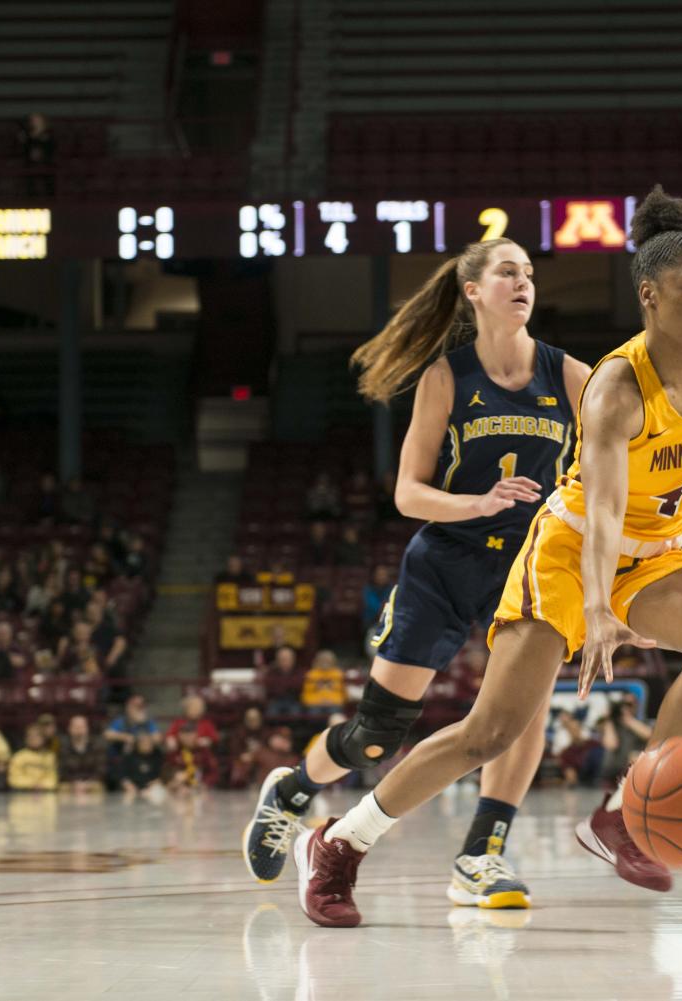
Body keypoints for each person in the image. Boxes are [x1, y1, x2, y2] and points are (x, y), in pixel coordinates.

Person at [289, 189, 682, 927]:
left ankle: (623, 812)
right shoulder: (616, 388)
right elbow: (599, 510)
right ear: (648, 296)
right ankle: (340, 842)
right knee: (491, 731)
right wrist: (597, 609)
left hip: (655, 552)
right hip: (570, 551)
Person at [242, 235, 590, 913]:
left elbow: (603, 467)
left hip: (531, 564)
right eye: (507, 273)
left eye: (528, 274)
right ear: (473, 291)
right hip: (445, 562)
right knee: (377, 732)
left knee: (521, 718)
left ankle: (480, 854)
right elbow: (406, 492)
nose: (523, 284)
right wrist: (479, 502)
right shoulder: (446, 376)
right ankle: (290, 790)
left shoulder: (569, 374)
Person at [58, 715, 106, 792]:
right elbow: (61, 770)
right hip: (70, 783)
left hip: (92, 782)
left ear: (87, 729)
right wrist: (74, 783)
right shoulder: (63, 747)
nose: (79, 730)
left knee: (98, 787)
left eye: (81, 727)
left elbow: (101, 769)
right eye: (76, 727)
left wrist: (87, 784)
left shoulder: (97, 746)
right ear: (69, 729)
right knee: (62, 788)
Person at [165, 724, 218, 791]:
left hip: (200, 786)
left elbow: (213, 771)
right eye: (184, 735)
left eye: (190, 735)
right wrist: (173, 779)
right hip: (179, 787)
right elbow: (167, 770)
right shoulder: (174, 752)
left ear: (196, 735)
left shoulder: (203, 751)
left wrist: (205, 783)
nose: (187, 738)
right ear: (179, 736)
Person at [7, 724, 59, 791]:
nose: (33, 739)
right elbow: (13, 779)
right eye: (30, 736)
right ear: (26, 739)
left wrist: (43, 785)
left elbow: (53, 779)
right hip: (22, 793)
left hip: (46, 792)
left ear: (43, 738)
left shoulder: (50, 756)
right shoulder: (18, 756)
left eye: (37, 736)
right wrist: (31, 784)